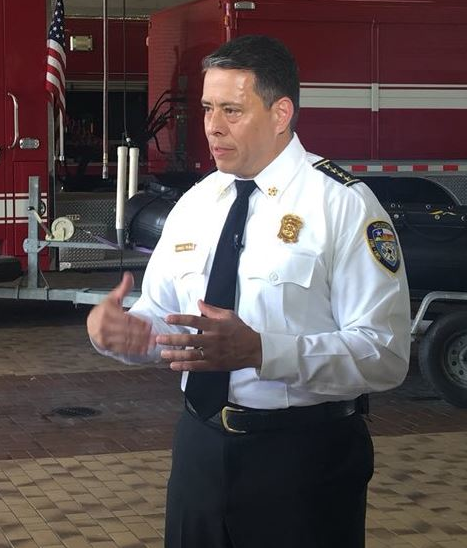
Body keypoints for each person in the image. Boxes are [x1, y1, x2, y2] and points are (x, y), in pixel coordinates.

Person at [86, 35, 410, 548]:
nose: (213, 126)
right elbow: (164, 317)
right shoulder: (197, 203)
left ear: (281, 114)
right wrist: (124, 332)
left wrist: (262, 351)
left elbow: (385, 354)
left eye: (232, 110)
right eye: (208, 108)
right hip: (199, 450)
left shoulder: (342, 205)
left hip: (304, 460)